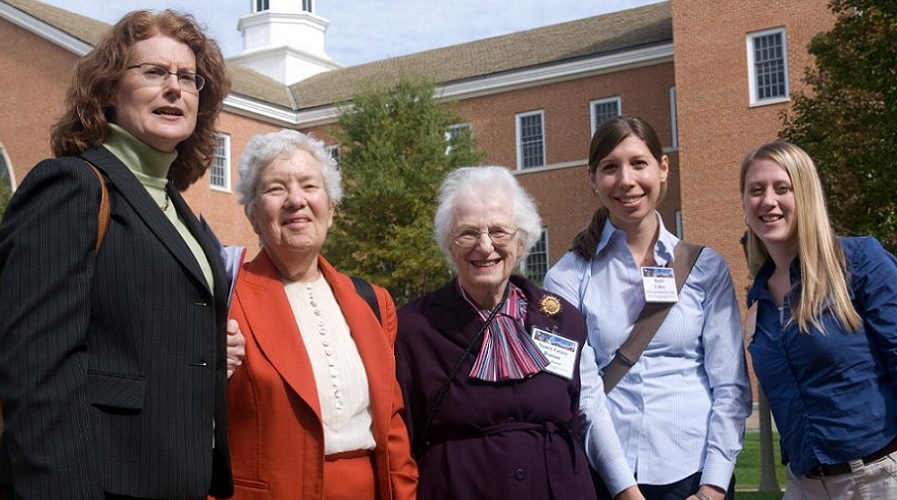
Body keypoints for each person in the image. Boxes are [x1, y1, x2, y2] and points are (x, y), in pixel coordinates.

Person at [0, 9, 240, 499]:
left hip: (177, 482)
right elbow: (37, 373)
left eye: (188, 78)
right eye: (153, 72)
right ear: (107, 90)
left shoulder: (173, 205)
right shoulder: (71, 186)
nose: (175, 88)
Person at [544, 115, 752, 500]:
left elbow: (731, 386)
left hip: (697, 477)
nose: (626, 180)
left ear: (662, 168)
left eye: (639, 163)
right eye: (610, 167)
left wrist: (712, 487)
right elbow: (583, 395)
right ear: (593, 179)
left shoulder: (706, 269)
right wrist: (625, 490)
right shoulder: (566, 279)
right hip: (607, 481)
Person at [739, 141, 897, 499]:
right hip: (804, 484)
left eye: (782, 187)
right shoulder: (758, 301)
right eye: (755, 190)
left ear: (806, 195)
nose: (768, 200)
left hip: (882, 478)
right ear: (744, 204)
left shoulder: (859, 262)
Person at [224, 129, 418, 499]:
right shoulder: (227, 300)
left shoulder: (372, 302)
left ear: (331, 208)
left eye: (309, 186)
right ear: (252, 215)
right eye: (276, 188)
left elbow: (392, 427)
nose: (296, 200)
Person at [395, 166, 597, 499]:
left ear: (521, 241)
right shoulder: (413, 330)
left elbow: (576, 415)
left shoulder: (563, 320)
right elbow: (403, 443)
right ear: (449, 243)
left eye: (499, 231)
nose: (485, 246)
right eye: (468, 233)